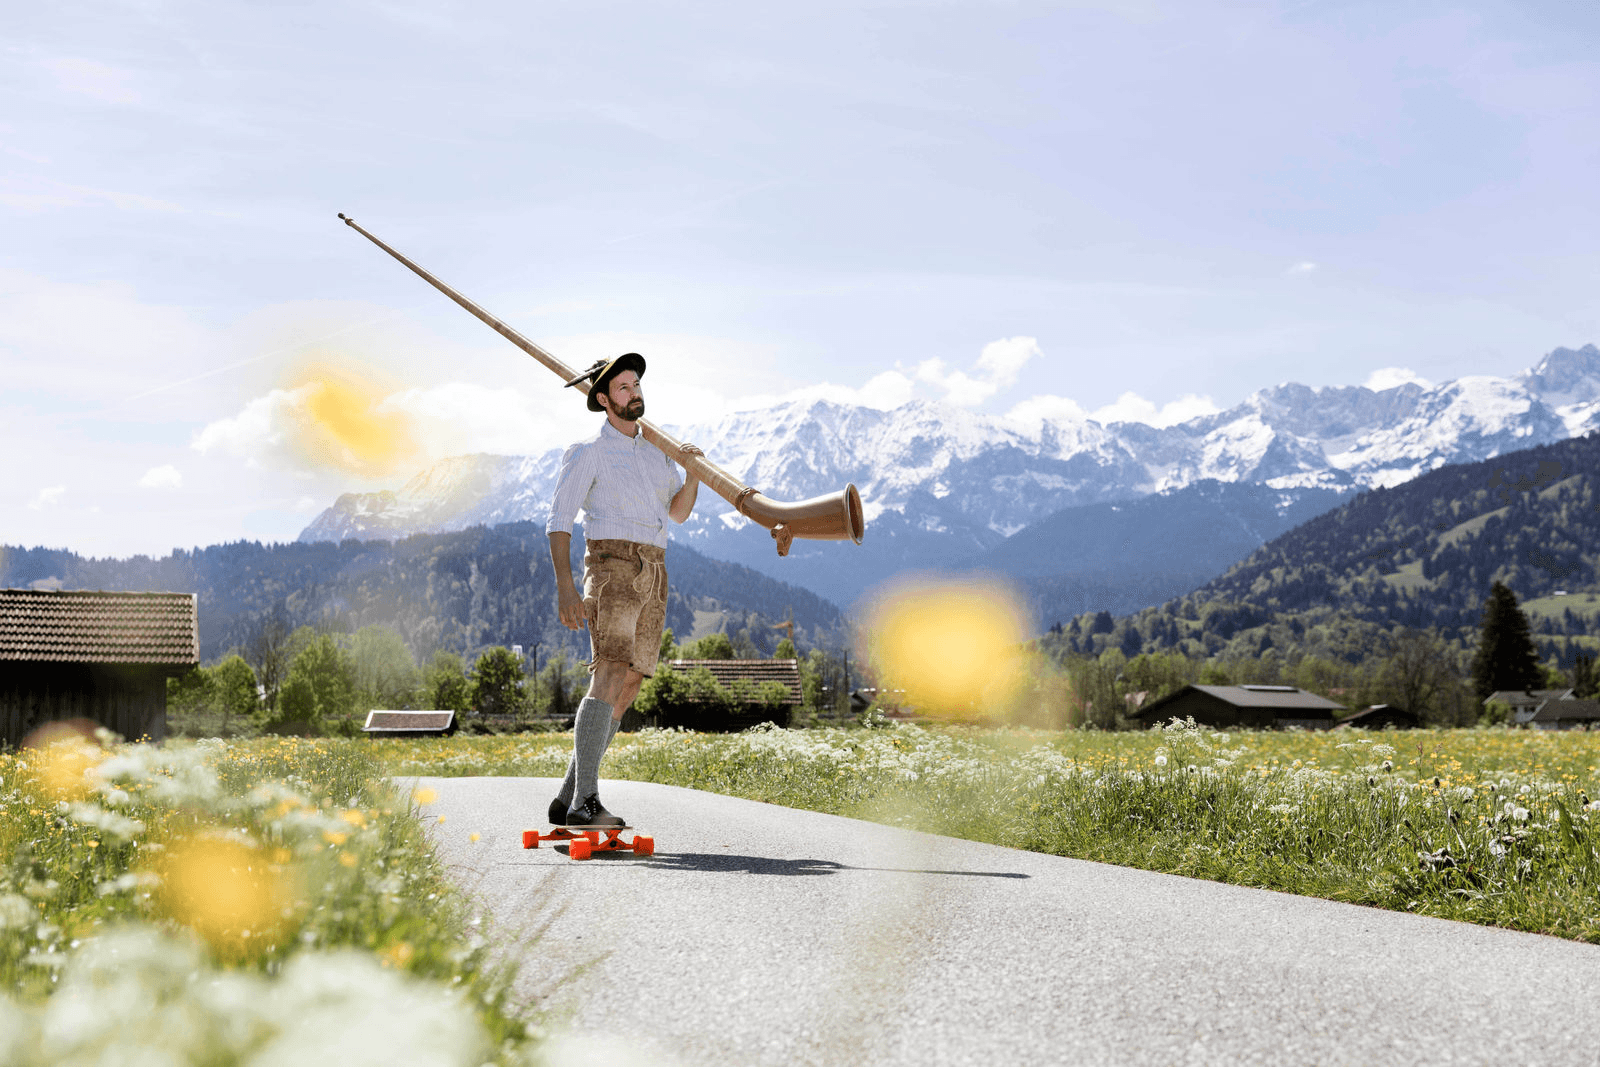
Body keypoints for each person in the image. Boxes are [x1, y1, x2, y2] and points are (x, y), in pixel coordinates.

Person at [545, 352, 702, 827]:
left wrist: (693, 473)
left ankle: (568, 798)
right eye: (624, 388)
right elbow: (559, 521)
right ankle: (586, 801)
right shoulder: (588, 451)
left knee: (630, 683)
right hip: (611, 565)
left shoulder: (657, 451)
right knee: (610, 671)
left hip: (655, 569)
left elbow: (677, 513)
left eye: (636, 385)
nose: (635, 394)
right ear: (603, 399)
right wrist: (567, 588)